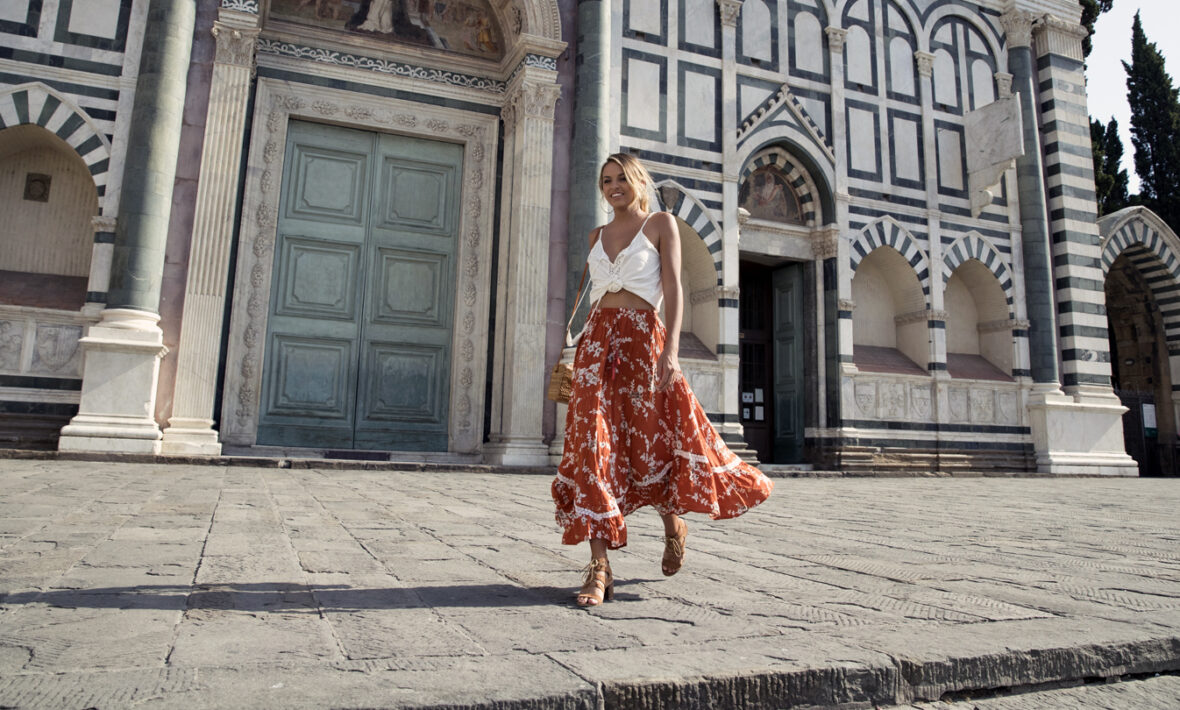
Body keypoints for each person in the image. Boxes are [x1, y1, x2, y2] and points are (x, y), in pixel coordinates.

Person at [552, 153, 775, 607]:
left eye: (621, 179)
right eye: (606, 180)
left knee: (652, 443)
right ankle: (599, 568)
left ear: (638, 181)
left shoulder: (661, 224)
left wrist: (670, 352)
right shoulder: (595, 235)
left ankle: (674, 524)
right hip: (598, 346)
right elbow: (590, 300)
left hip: (643, 342)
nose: (613, 187)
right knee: (591, 444)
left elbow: (672, 290)